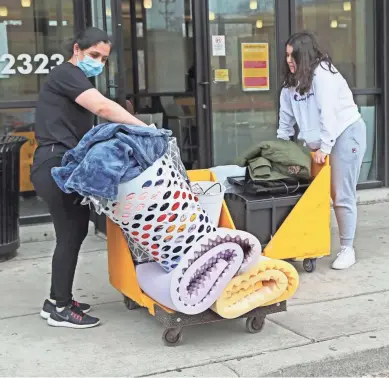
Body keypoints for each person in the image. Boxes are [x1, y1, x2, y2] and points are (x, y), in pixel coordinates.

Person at [31, 27, 148, 329]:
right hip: (55, 164)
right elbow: (103, 107)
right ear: (77, 49)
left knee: (72, 233)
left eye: (104, 58)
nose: (99, 62)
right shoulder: (67, 73)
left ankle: (55, 299)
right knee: (71, 234)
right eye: (94, 54)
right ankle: (61, 307)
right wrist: (145, 129)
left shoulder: (75, 79)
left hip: (61, 165)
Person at [276, 31, 367, 270]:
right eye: (286, 55)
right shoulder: (291, 85)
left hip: (346, 134)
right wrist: (281, 147)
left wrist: (325, 148)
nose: (288, 60)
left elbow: (330, 115)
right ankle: (308, 243)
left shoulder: (323, 75)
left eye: (291, 55)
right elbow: (285, 120)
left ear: (303, 55)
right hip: (321, 142)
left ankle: (348, 249)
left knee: (340, 193)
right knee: (313, 194)